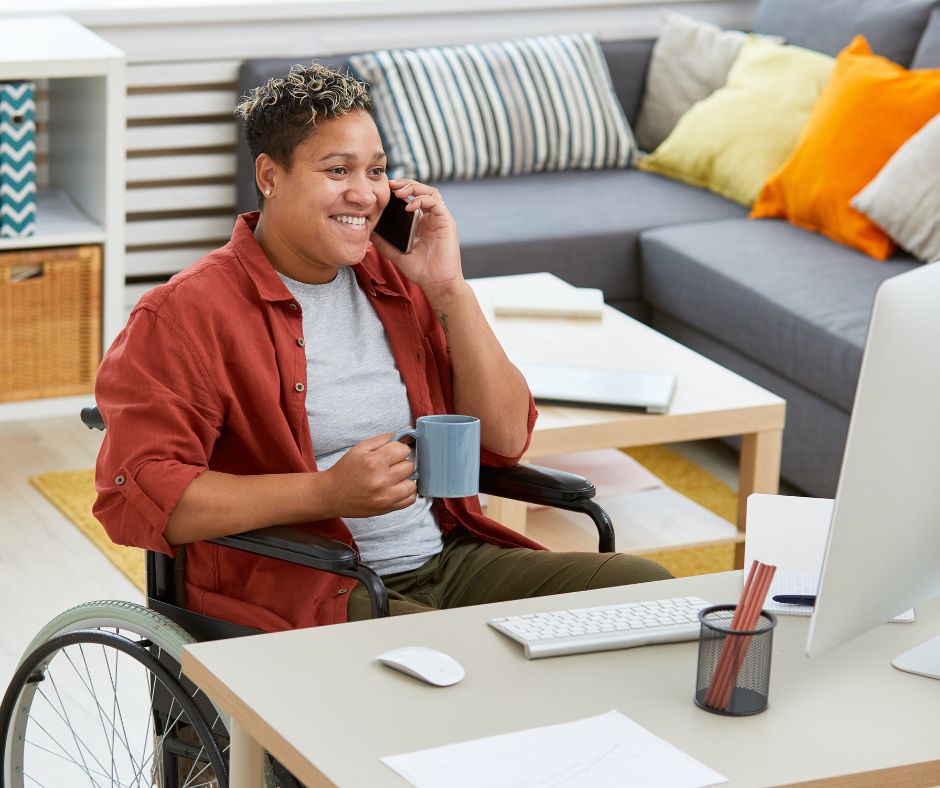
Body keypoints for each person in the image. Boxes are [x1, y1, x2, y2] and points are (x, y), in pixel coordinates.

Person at [93, 63, 671, 631]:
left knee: (648, 592)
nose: (366, 194)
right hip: (307, 585)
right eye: (337, 169)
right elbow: (137, 494)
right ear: (270, 176)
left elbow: (504, 438)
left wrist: (449, 289)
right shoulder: (184, 314)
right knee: (465, 663)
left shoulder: (396, 281)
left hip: (447, 560)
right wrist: (325, 492)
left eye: (377, 171)